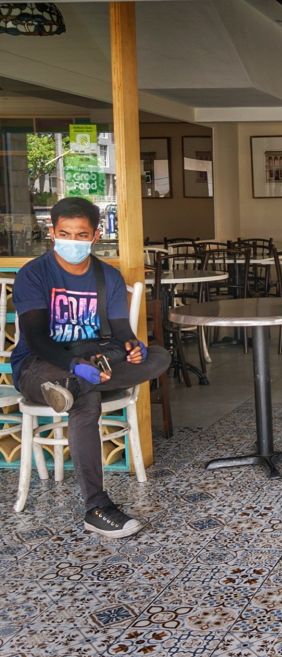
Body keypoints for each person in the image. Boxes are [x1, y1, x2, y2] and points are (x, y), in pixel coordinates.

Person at [12, 197, 170, 538]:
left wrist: (132, 348)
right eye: (64, 233)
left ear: (95, 235)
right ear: (52, 233)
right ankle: (96, 507)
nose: (72, 241)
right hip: (41, 365)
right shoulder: (34, 275)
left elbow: (122, 333)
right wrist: (73, 365)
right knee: (85, 398)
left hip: (95, 361)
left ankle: (72, 387)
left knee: (159, 357)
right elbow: (36, 338)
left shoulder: (107, 277)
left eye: (81, 234)